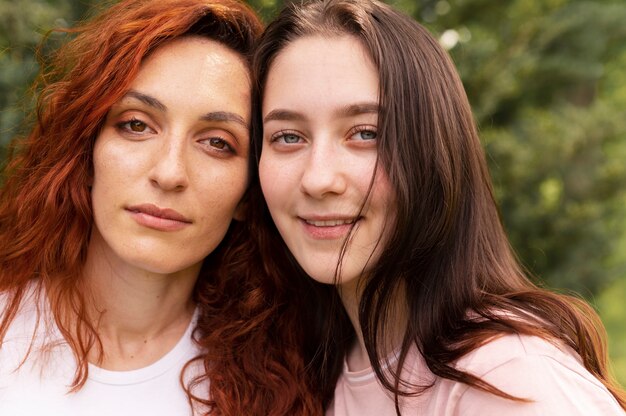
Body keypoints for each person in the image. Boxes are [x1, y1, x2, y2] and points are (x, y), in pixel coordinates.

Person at [251, 0, 626, 414]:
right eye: (287, 137)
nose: (319, 179)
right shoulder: (309, 373)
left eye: (365, 133)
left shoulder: (507, 378)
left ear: (433, 150)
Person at [0, 0, 319, 415]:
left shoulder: (285, 383)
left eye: (217, 142)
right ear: (86, 151)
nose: (169, 173)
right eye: (136, 125)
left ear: (248, 194)